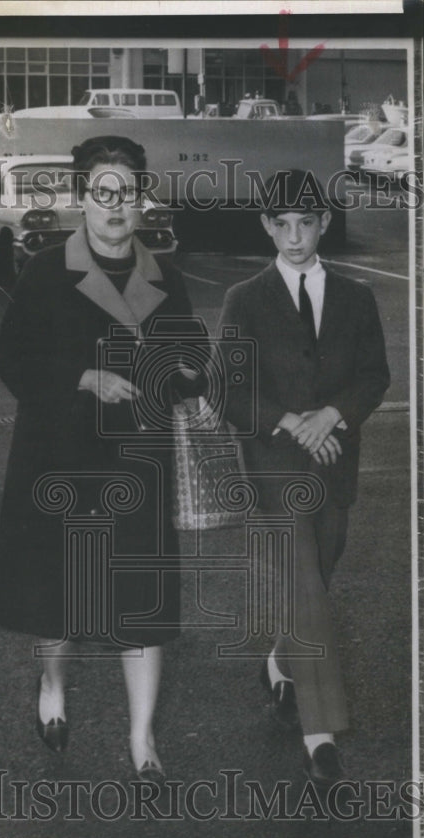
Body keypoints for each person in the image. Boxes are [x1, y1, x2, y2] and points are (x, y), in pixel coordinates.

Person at [0, 135, 205, 782]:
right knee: (58, 596)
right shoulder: (45, 270)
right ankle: (53, 685)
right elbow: (11, 358)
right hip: (58, 457)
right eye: (102, 193)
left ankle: (142, 738)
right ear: (81, 198)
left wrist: (186, 374)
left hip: (137, 459)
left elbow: (192, 360)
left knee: (141, 598)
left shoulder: (164, 276)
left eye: (127, 193)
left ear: (141, 200)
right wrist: (81, 377)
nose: (115, 206)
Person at [218, 169, 389, 788]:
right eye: (282, 224)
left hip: (335, 463)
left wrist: (333, 414)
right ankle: (321, 734)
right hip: (275, 467)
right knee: (307, 589)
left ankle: (280, 663)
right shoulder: (244, 298)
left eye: (306, 224)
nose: (294, 237)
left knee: (318, 575)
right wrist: (293, 421)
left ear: (323, 224)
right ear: (267, 226)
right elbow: (227, 387)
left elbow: (375, 376)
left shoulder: (357, 297)